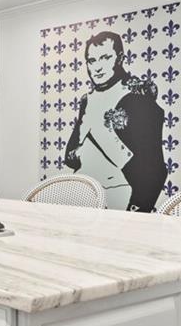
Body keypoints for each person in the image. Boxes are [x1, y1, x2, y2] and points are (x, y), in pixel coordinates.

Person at [64, 31, 166, 212]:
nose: (97, 67)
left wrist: (138, 211)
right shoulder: (88, 100)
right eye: (91, 60)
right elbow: (70, 157)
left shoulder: (137, 95)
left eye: (104, 57)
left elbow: (154, 169)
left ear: (119, 58)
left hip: (122, 198)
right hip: (82, 195)